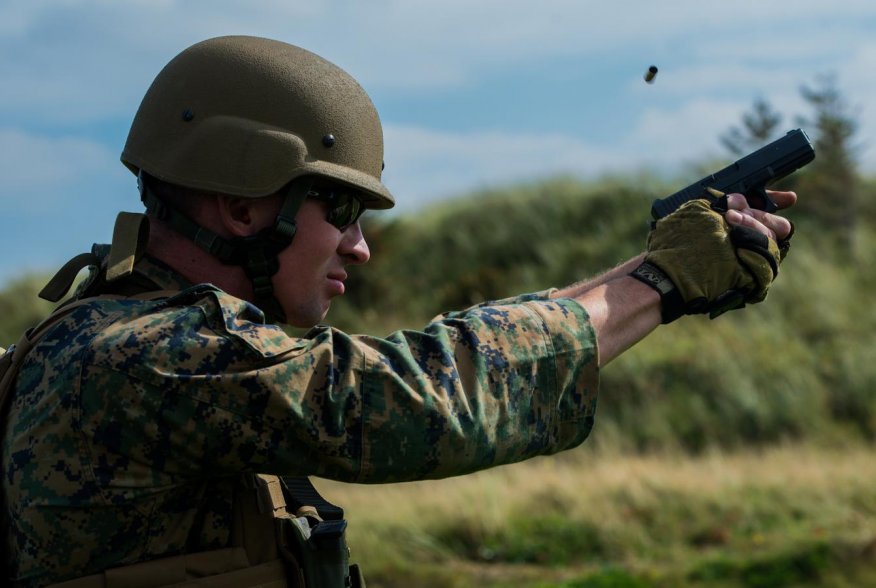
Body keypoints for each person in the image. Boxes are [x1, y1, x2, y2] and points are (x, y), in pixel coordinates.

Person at [0, 35, 796, 587]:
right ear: (245, 208)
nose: (358, 247)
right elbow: (429, 397)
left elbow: (463, 356)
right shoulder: (159, 356)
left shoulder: (109, 332)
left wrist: (657, 270)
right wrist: (658, 285)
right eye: (341, 211)